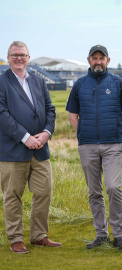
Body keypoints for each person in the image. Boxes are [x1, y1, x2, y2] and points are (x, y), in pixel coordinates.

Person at [66, 45, 122, 251]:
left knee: (114, 187)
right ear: (89, 60)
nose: (98, 61)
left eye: (101, 58)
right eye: (94, 58)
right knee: (94, 191)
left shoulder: (118, 83)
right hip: (87, 146)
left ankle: (119, 235)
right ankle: (101, 234)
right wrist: (83, 134)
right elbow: (71, 116)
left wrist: (116, 134)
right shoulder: (79, 85)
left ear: (108, 60)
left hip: (112, 145)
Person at [0, 41, 61, 254]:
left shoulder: (38, 81)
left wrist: (46, 133)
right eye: (14, 55)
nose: (19, 58)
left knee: (44, 192)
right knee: (13, 195)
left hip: (40, 149)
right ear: (7, 58)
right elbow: (2, 115)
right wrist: (25, 137)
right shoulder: (2, 82)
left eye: (23, 55)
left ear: (28, 58)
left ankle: (38, 236)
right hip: (13, 150)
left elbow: (50, 110)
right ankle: (16, 239)